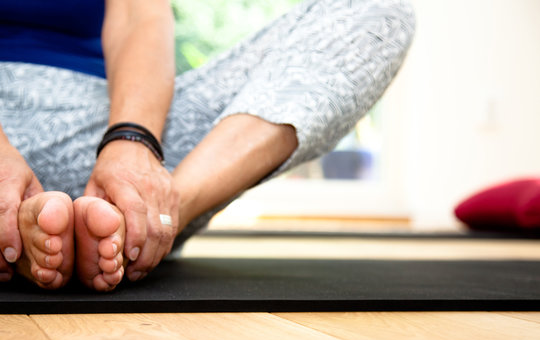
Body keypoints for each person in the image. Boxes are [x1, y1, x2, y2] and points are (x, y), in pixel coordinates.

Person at [0, 0, 415, 291]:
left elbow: (138, 16)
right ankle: (94, 237)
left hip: (107, 123)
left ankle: (149, 216)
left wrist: (132, 138)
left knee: (379, 11)